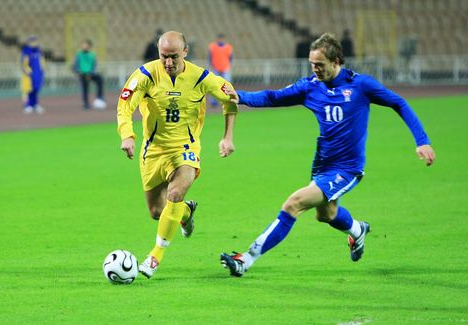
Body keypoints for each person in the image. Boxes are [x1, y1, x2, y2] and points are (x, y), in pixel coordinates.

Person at [220, 32, 436, 277]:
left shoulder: (360, 86)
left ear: (336, 62)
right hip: (323, 164)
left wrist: (422, 141)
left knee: (294, 204)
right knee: (326, 214)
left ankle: (246, 259)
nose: (315, 70)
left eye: (320, 65)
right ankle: (357, 230)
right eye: (312, 65)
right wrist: (242, 97)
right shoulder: (310, 87)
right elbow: (274, 97)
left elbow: (399, 103)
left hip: (347, 169)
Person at [117, 31, 238, 278]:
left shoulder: (201, 77)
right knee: (157, 212)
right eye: (164, 57)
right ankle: (185, 213)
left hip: (186, 148)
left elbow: (231, 99)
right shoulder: (146, 75)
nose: (169, 63)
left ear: (185, 51)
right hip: (153, 150)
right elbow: (125, 105)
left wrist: (228, 137)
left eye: (173, 56)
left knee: (175, 192)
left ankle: (154, 256)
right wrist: (127, 135)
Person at [73, 39, 106, 110]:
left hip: (90, 74)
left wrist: (91, 73)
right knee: (85, 88)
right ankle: (86, 103)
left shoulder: (92, 54)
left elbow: (94, 65)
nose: (84, 46)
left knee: (100, 80)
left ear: (89, 46)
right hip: (82, 74)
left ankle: (99, 98)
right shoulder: (79, 54)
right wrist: (79, 72)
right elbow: (76, 65)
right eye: (83, 44)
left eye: (85, 44)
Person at [20, 36, 45, 114]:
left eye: (35, 41)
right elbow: (23, 63)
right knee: (28, 90)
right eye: (32, 42)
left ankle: (35, 104)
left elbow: (42, 61)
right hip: (30, 74)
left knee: (36, 89)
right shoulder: (26, 51)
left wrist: (42, 69)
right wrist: (27, 71)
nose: (34, 43)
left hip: (38, 73)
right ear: (29, 43)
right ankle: (28, 105)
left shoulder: (39, 51)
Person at [208, 33, 233, 106]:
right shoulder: (212, 46)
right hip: (215, 68)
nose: (220, 40)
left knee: (227, 85)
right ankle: (214, 101)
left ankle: (227, 99)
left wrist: (229, 66)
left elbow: (230, 58)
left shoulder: (228, 47)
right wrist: (211, 66)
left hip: (225, 68)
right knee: (214, 85)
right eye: (219, 39)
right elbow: (210, 57)